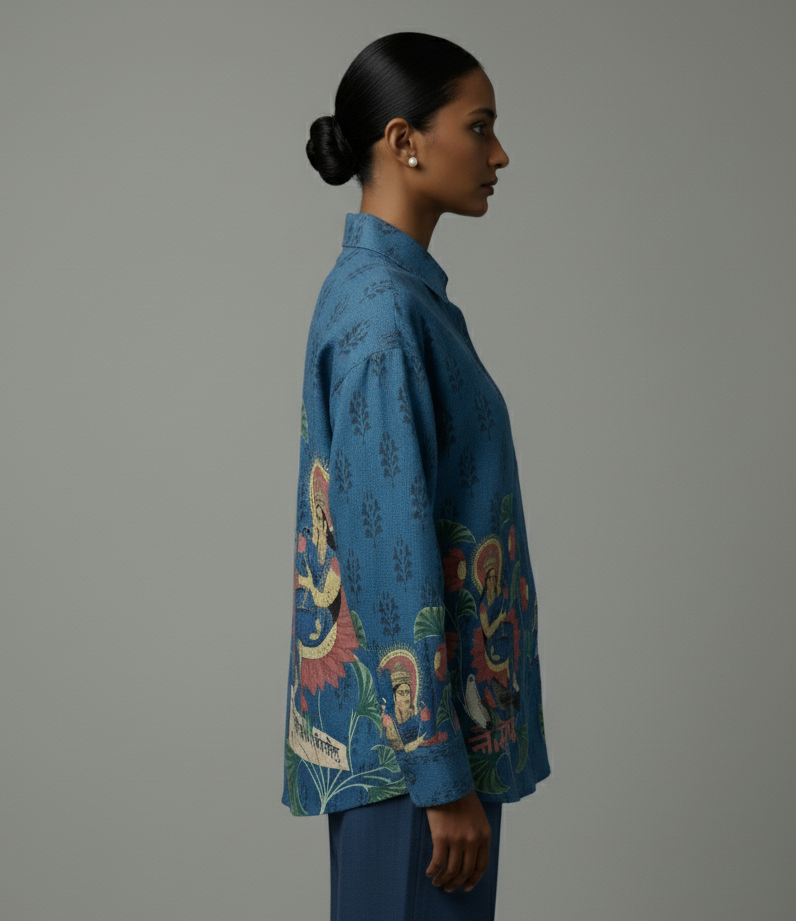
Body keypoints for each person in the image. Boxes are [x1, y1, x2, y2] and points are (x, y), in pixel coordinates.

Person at [283, 32, 550, 921]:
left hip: (426, 754)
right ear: (403, 141)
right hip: (414, 763)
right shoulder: (384, 315)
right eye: (479, 127)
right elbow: (385, 552)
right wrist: (440, 778)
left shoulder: (400, 300)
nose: (498, 152)